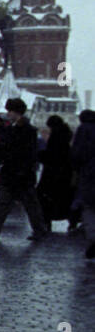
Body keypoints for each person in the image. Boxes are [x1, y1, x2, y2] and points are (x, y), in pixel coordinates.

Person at [0, 97, 48, 241]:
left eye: (10, 110)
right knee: (4, 202)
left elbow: (25, 152)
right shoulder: (12, 127)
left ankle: (39, 230)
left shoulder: (27, 130)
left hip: (21, 173)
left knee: (30, 203)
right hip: (11, 172)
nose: (8, 113)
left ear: (16, 112)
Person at [37, 114, 75, 229]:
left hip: (53, 174)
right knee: (64, 198)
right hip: (64, 173)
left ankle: (46, 222)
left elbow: (52, 155)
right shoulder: (65, 135)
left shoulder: (56, 136)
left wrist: (40, 155)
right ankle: (71, 220)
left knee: (45, 198)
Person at [73, 109, 95, 257]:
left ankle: (93, 237)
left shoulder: (83, 130)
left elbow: (77, 153)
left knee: (88, 207)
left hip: (88, 173)